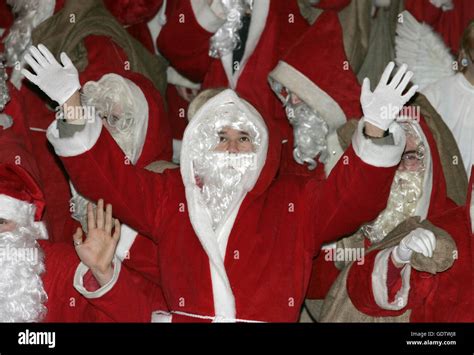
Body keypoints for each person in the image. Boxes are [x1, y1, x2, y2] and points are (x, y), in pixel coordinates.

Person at [23, 43, 416, 322]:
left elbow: (350, 200)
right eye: (220, 137)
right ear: (197, 144)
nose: (231, 148)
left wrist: (375, 130)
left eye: (243, 138)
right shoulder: (171, 196)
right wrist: (72, 105)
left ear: (261, 149)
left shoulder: (295, 203)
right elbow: (112, 182)